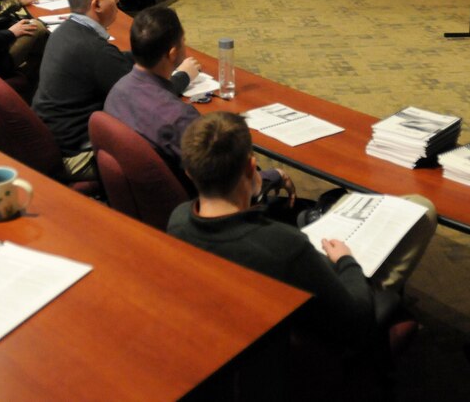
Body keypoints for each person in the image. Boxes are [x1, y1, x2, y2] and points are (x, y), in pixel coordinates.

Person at [168, 112, 437, 350]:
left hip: (242, 336)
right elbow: (356, 318)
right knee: (423, 211)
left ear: (190, 173)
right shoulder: (284, 246)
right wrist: (346, 261)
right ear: (251, 167)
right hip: (318, 345)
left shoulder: (178, 222)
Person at [32, 0, 195, 181]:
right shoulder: (95, 51)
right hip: (75, 154)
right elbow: (146, 94)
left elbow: (115, 61)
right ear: (97, 5)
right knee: (162, 154)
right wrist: (184, 75)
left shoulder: (66, 30)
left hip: (54, 138)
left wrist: (148, 51)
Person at [103, 6, 205, 191]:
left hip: (134, 200)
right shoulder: (179, 118)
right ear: (173, 53)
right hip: (187, 204)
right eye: (183, 41)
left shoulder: (116, 92)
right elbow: (222, 179)